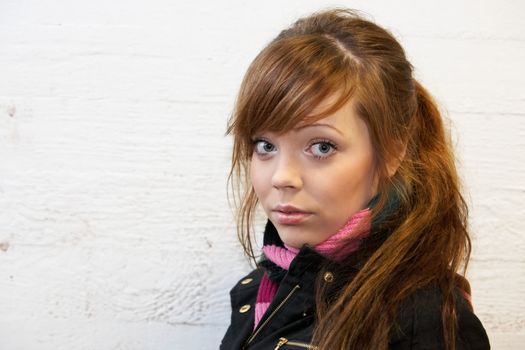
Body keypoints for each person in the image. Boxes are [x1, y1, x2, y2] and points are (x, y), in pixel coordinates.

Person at [220, 8, 490, 350]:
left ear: (391, 153)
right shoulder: (263, 285)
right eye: (265, 145)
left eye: (321, 147)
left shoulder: (426, 322)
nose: (282, 177)